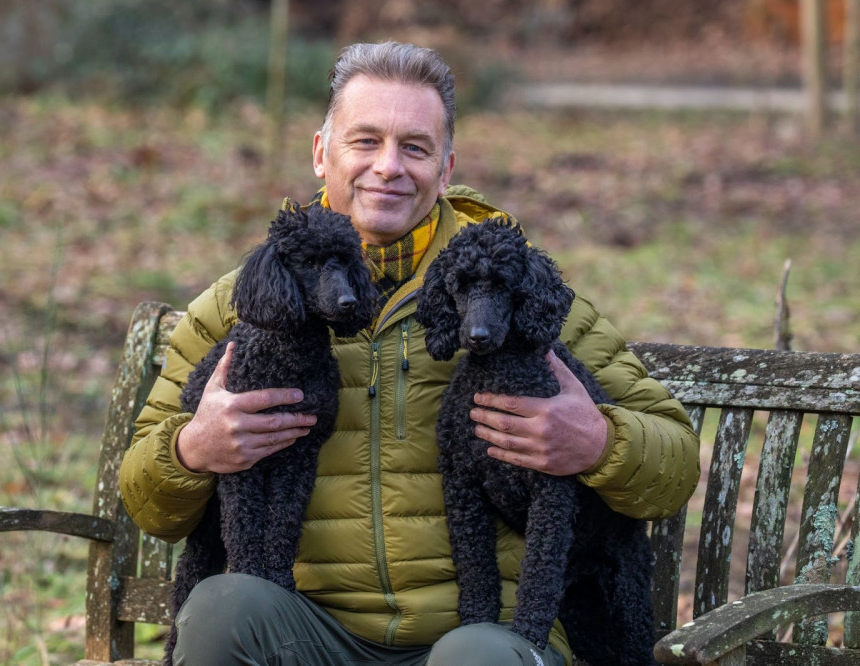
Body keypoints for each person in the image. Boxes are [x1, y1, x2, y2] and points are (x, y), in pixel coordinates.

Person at [119, 41, 700, 666]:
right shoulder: (241, 305)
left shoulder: (511, 287)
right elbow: (146, 497)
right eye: (365, 141)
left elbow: (675, 460)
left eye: (414, 147)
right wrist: (192, 449)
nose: (388, 167)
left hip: (485, 635)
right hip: (307, 632)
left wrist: (599, 442)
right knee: (223, 610)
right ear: (322, 153)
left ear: (446, 168)